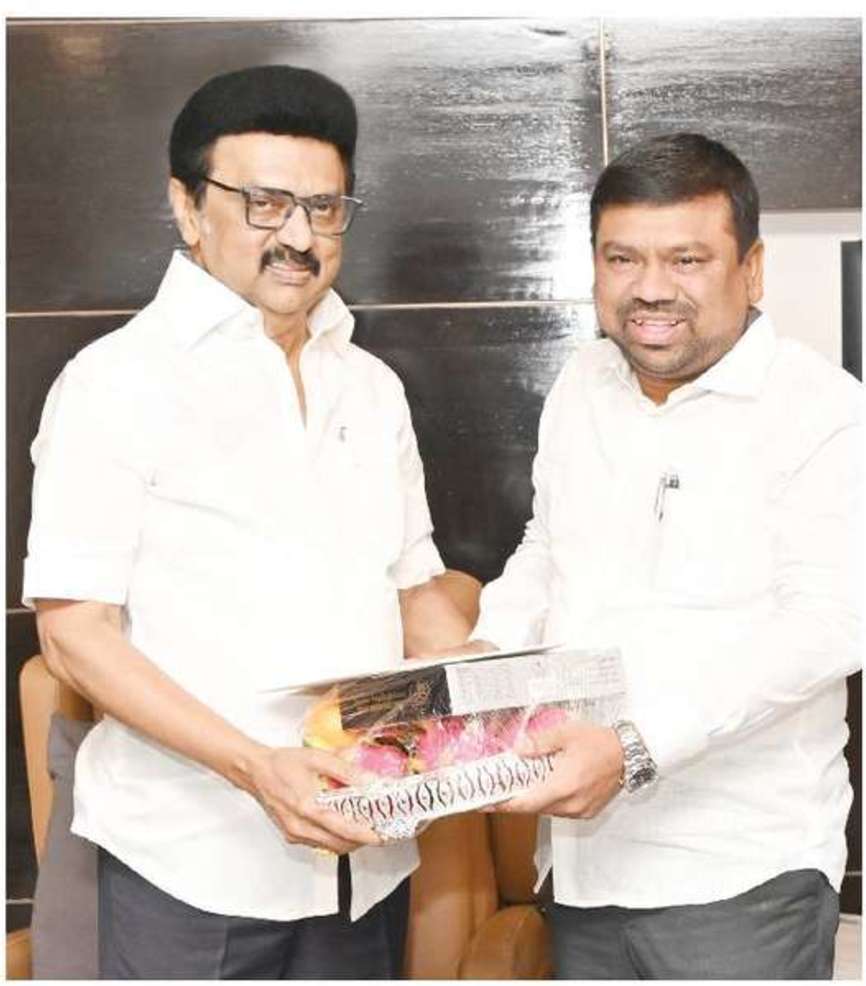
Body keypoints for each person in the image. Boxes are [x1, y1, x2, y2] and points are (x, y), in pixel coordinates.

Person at [23, 65, 470, 980]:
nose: (298, 237)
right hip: (191, 866)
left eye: (324, 207)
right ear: (188, 208)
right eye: (265, 204)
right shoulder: (115, 383)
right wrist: (255, 767)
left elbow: (414, 591)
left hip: (365, 856)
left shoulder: (372, 388)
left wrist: (505, 707)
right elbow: (74, 635)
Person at [472, 132, 862, 979]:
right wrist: (480, 661)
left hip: (740, 880)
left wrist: (635, 746)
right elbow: (547, 548)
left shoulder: (825, 412)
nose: (651, 289)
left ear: (751, 270)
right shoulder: (583, 383)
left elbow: (829, 625)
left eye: (687, 259)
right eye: (623, 258)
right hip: (583, 866)